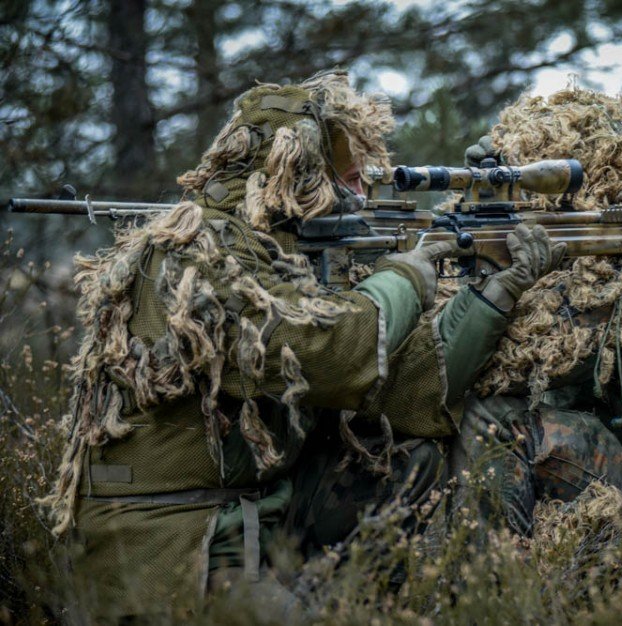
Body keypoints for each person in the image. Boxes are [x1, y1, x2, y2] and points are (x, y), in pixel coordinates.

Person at [40, 70, 565, 620]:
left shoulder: (277, 257)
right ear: (296, 173)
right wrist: (402, 280)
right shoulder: (197, 254)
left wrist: (495, 292)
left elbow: (405, 391)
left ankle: (349, 602)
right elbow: (332, 354)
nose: (360, 198)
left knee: (408, 457)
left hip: (252, 518)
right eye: (350, 180)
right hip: (169, 545)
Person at [450, 88, 622, 537]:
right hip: (580, 466)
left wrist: (498, 284)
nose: (525, 197)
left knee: (490, 420)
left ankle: (495, 594)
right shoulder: (553, 267)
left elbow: (510, 362)